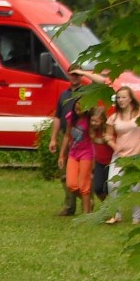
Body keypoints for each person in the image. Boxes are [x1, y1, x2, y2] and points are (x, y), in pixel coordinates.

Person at [50, 66, 89, 216]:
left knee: (84, 175)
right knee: (65, 174)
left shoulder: (86, 93)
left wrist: (84, 73)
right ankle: (69, 206)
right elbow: (57, 117)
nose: (74, 77)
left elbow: (102, 82)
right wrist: (53, 138)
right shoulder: (63, 95)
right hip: (66, 135)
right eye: (71, 74)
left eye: (77, 75)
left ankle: (87, 205)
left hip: (83, 138)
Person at [104, 84, 140, 225]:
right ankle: (116, 214)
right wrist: (114, 145)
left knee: (136, 187)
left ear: (130, 98)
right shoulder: (114, 117)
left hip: (136, 156)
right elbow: (107, 135)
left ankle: (136, 217)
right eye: (118, 97)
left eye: (123, 97)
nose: (120, 100)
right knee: (113, 184)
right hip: (120, 156)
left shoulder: (138, 114)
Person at [59, 95, 96, 216]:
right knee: (71, 184)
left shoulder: (89, 120)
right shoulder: (71, 118)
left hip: (86, 153)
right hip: (73, 153)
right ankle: (88, 202)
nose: (78, 107)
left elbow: (94, 136)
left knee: (83, 185)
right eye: (77, 104)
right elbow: (66, 136)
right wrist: (61, 155)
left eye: (82, 105)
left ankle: (86, 213)